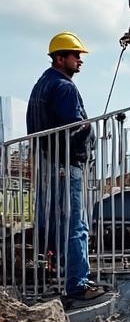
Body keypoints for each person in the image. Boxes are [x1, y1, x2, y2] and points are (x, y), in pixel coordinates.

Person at [26, 32, 103, 304]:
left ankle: (56, 276)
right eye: (75, 55)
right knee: (76, 224)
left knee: (53, 222)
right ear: (60, 58)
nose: (80, 61)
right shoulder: (65, 87)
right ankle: (78, 285)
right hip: (64, 164)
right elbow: (77, 126)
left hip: (46, 163)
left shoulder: (40, 86)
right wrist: (87, 143)